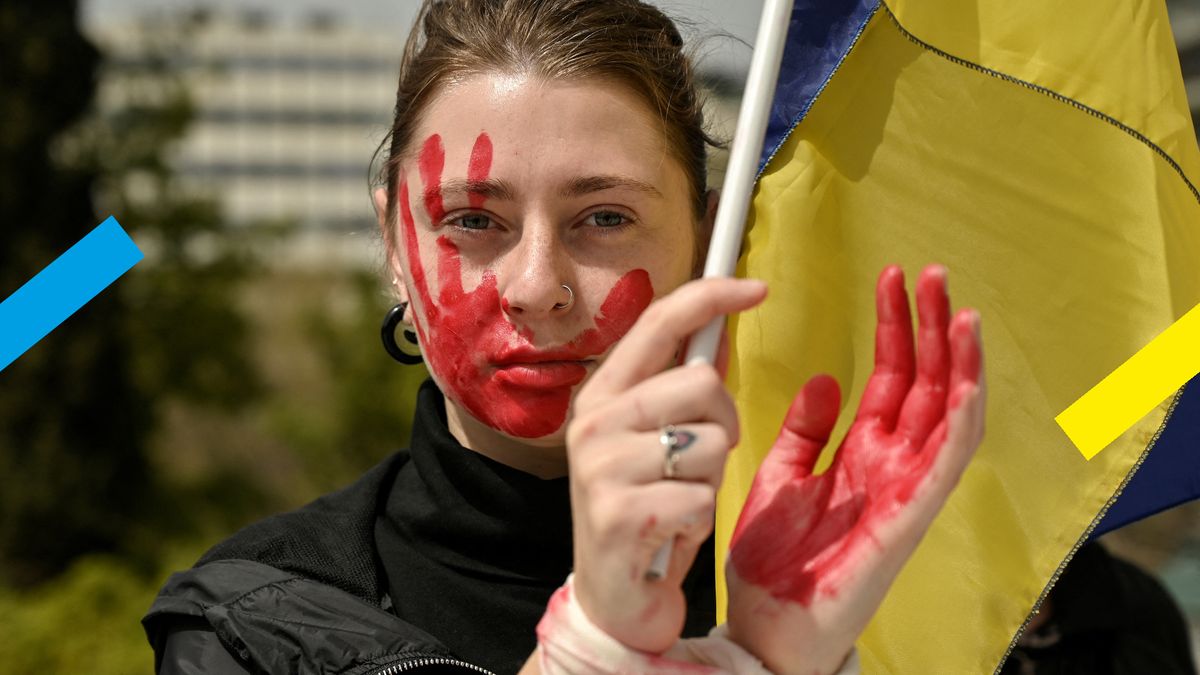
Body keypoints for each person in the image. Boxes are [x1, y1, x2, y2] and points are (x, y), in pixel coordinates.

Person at [142, 1, 986, 673]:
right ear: (395, 249)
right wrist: (595, 647)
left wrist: (775, 662)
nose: (538, 286)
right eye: (474, 218)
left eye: (605, 217)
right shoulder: (251, 622)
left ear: (704, 240)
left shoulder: (836, 577)